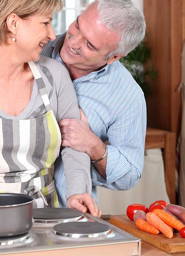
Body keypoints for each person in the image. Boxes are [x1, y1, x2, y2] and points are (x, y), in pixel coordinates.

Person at [0, 0, 101, 216]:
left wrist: (77, 191)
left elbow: (74, 143)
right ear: (13, 23)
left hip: (45, 219)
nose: (53, 34)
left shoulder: (54, 76)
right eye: (45, 22)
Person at [42, 0, 147, 207]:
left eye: (89, 45)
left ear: (113, 57)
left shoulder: (127, 96)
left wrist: (93, 146)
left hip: (69, 213)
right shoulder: (36, 47)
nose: (73, 42)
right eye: (78, 26)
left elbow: (130, 174)